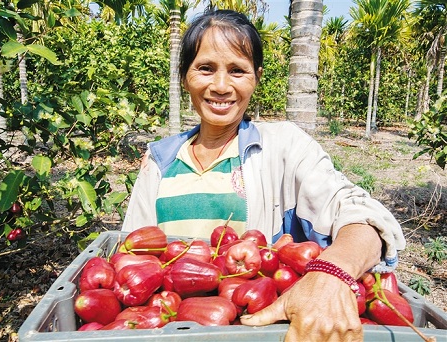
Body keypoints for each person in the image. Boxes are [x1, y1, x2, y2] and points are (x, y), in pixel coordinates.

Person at [121, 9, 406, 341]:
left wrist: (331, 274)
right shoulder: (159, 161)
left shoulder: (283, 146)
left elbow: (365, 218)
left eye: (237, 71)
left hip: (256, 329)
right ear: (185, 76)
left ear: (256, 77)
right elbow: (131, 259)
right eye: (205, 68)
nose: (221, 86)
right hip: (169, 330)